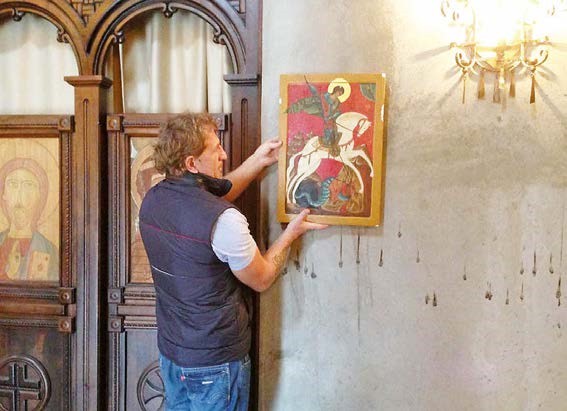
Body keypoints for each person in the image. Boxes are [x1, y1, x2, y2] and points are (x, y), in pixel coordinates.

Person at [139, 113, 326, 411]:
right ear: (191, 163)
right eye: (216, 149)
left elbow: (214, 195)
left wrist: (257, 160)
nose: (224, 155)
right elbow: (261, 278)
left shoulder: (153, 200)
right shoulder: (225, 221)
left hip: (172, 353)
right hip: (215, 361)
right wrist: (290, 234)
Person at [0, 158, 59, 282]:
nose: (20, 195)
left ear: (40, 196)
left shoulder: (49, 251)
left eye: (28, 185)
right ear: (3, 194)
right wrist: (9, 274)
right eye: (12, 184)